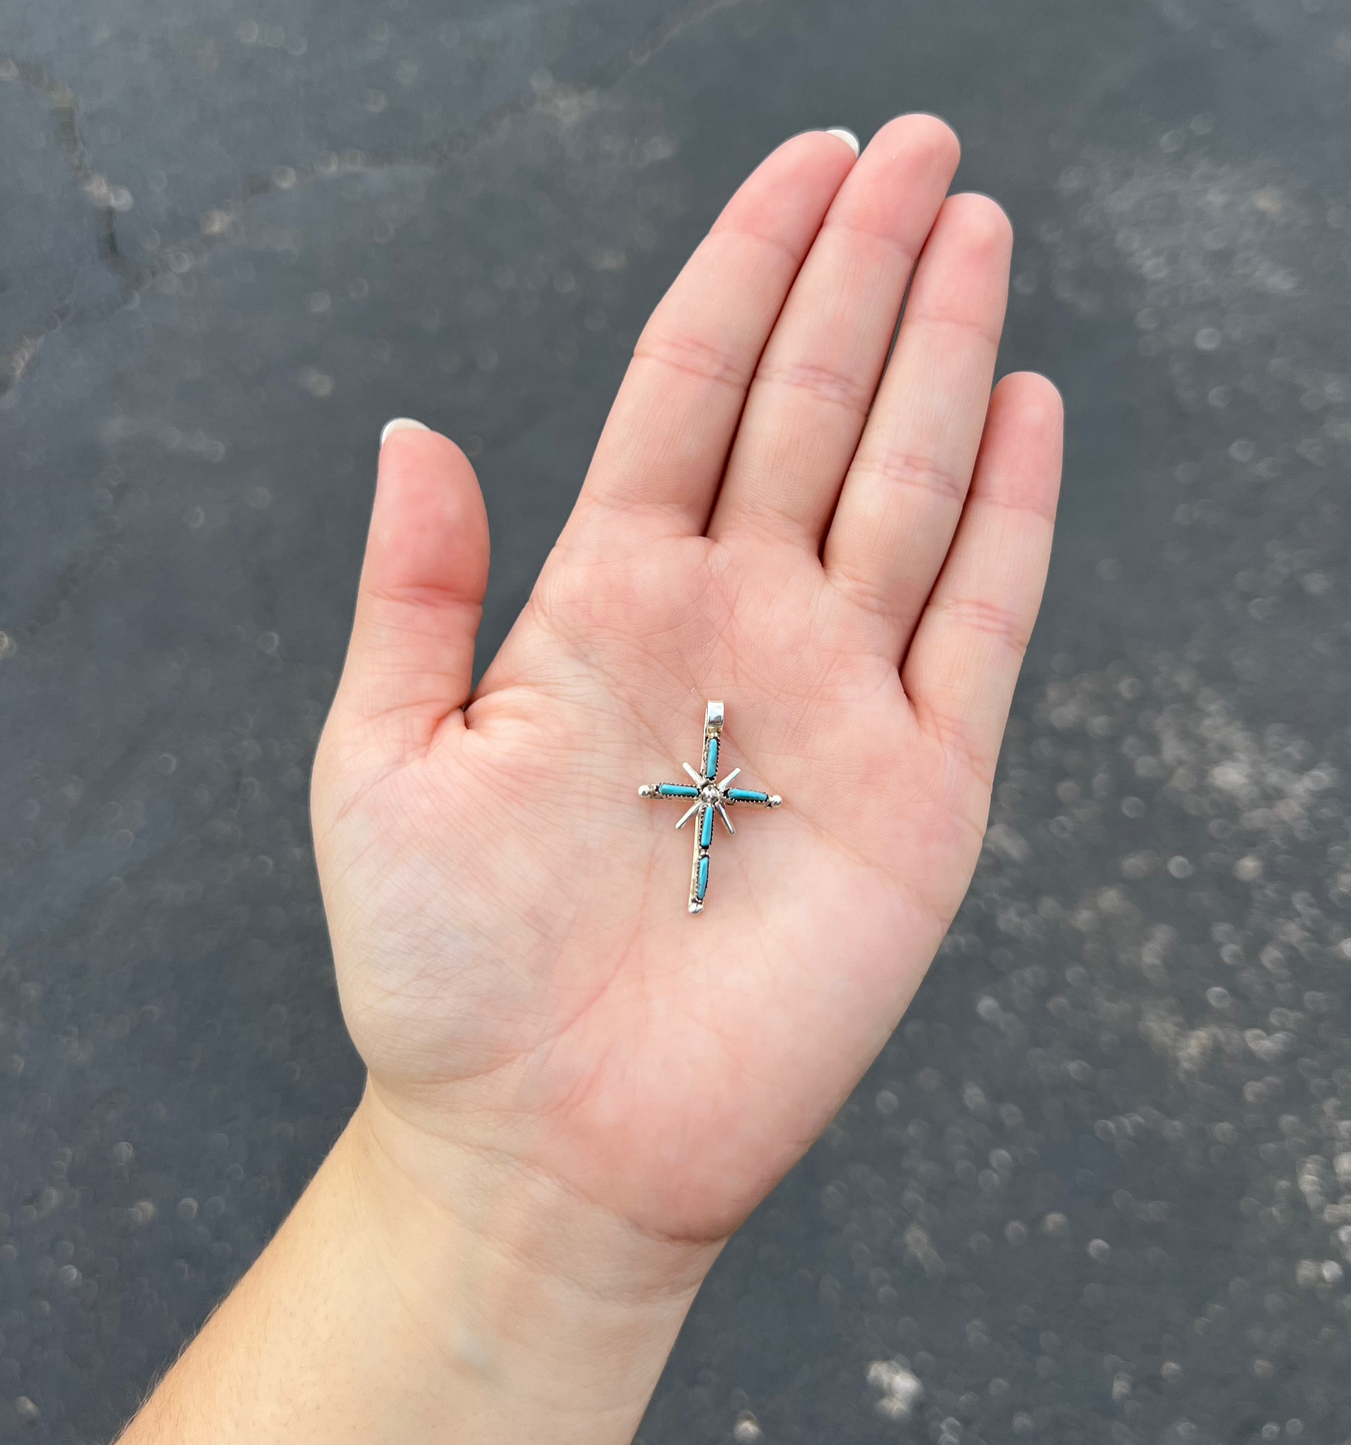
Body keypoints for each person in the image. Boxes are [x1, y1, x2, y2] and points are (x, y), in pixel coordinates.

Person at [116, 114, 1063, 1443]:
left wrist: (475, 1180)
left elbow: (717, 790)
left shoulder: (713, 789)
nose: (716, 797)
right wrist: (488, 1159)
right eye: (712, 792)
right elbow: (712, 792)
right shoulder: (705, 792)